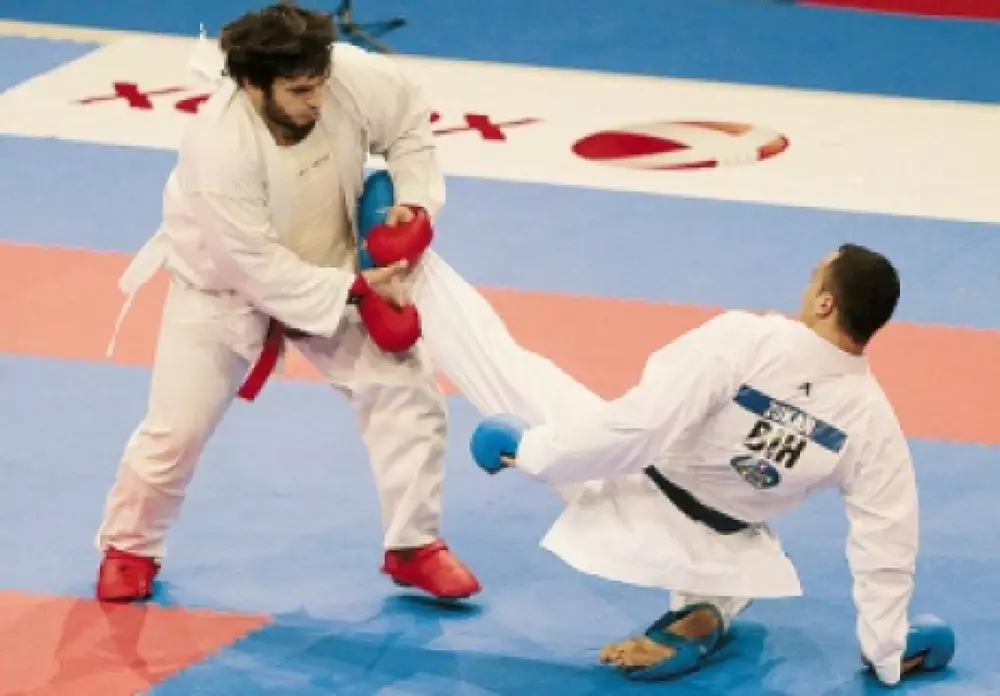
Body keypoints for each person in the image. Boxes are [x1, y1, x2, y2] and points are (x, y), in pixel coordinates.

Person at [401, 237, 956, 685]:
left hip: (630, 495)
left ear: (826, 303)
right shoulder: (873, 422)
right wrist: (886, 649)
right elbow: (887, 540)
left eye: (814, 278)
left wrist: (532, 452)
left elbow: (640, 429)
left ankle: (406, 268)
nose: (804, 288)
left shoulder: (750, 340)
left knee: (509, 369)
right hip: (729, 548)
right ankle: (706, 610)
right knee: (752, 544)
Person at [94, 2, 481, 603]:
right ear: (252, 84)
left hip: (332, 262)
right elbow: (251, 265)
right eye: (300, 91)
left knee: (408, 392)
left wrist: (412, 202)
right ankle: (129, 547)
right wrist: (357, 290)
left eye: (319, 83)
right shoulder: (218, 148)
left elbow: (408, 125)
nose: (316, 100)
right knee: (175, 432)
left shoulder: (349, 77)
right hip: (222, 290)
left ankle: (413, 544)